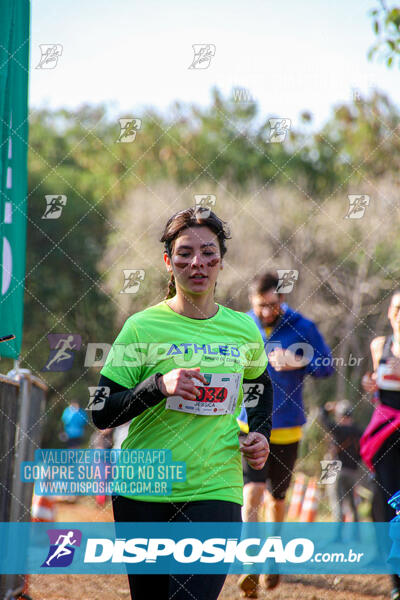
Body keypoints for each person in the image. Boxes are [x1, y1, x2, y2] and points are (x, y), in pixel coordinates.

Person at [91, 207, 274, 600]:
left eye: (208, 252)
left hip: (215, 487)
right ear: (168, 262)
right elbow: (102, 410)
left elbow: (260, 386)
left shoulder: (243, 329)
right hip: (143, 490)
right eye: (185, 253)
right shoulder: (141, 327)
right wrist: (159, 385)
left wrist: (260, 432)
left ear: (221, 261)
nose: (197, 263)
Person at [237, 271, 333, 596]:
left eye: (272, 304)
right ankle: (250, 561)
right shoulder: (241, 324)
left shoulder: (301, 326)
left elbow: (327, 365)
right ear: (252, 299)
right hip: (248, 423)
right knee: (251, 492)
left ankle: (272, 558)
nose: (266, 311)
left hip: (288, 425)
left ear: (282, 299)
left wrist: (297, 360)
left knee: (277, 498)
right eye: (260, 305)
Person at [360, 290, 400, 600]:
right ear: (389, 312)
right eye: (396, 308)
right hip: (387, 434)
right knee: (389, 504)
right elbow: (374, 386)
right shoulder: (380, 345)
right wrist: (368, 383)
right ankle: (396, 579)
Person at [318, 400, 362, 522]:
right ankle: (356, 533)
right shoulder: (359, 431)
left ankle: (338, 535)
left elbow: (323, 419)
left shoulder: (338, 429)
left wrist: (326, 409)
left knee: (337, 502)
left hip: (334, 468)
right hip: (353, 471)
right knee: (353, 503)